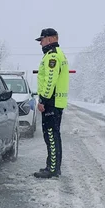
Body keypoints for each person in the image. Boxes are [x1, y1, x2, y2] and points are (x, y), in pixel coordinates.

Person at [33, 28, 69, 179]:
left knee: (51, 136)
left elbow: (50, 81)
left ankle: (52, 169)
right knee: (53, 135)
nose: (40, 43)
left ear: (50, 39)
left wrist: (43, 100)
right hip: (56, 102)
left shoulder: (52, 56)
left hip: (51, 102)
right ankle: (53, 166)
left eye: (41, 40)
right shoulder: (58, 54)